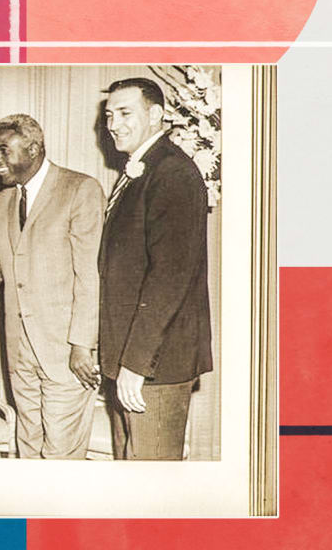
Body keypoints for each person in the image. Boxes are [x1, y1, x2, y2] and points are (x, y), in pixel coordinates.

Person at [0, 114, 104, 459]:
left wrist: (82, 345)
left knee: (61, 458)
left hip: (67, 353)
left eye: (3, 151)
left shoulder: (80, 189)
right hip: (19, 352)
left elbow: (90, 274)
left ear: (34, 148)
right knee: (28, 450)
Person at [98, 78, 213, 460]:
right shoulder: (144, 170)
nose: (113, 123)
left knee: (153, 486)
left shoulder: (173, 173)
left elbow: (169, 279)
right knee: (130, 478)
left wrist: (135, 364)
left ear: (156, 115)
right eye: (109, 114)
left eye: (124, 113)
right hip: (132, 362)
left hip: (154, 365)